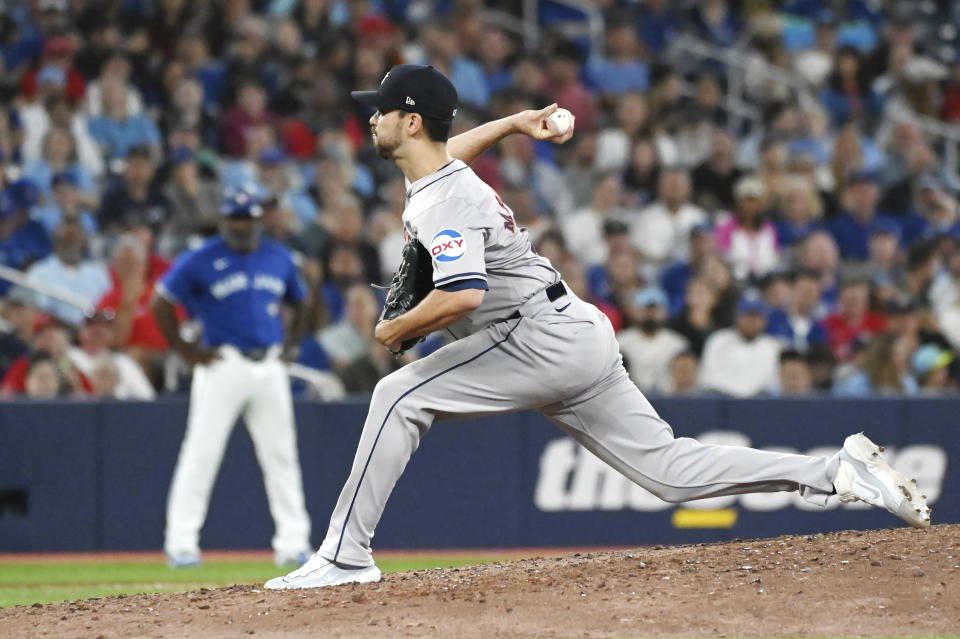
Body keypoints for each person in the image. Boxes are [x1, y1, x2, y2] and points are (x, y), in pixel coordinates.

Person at [266, 64, 930, 591]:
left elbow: (464, 295)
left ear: (409, 122)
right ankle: (833, 472)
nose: (371, 118)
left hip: (533, 338)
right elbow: (450, 149)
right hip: (571, 329)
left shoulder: (442, 199)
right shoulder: (441, 175)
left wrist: (395, 331)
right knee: (671, 472)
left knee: (396, 395)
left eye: (380, 109)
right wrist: (517, 123)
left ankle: (346, 556)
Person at [152, 184, 313, 568]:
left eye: (249, 218)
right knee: (201, 454)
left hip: (269, 363)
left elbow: (303, 301)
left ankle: (293, 543)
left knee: (282, 456)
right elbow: (162, 303)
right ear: (225, 220)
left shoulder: (278, 256)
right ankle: (181, 544)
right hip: (223, 364)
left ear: (259, 219)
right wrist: (187, 351)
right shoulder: (201, 258)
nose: (243, 225)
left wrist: (292, 345)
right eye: (236, 218)